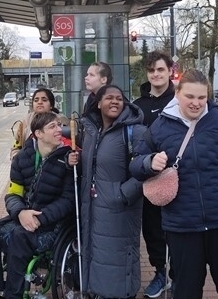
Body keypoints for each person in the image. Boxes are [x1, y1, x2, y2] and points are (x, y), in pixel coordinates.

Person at [129, 68, 218, 299]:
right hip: (182, 226)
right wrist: (148, 162)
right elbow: (135, 166)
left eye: (202, 98)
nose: (196, 103)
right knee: (185, 291)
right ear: (177, 94)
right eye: (190, 97)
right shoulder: (160, 127)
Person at [0, 112, 79, 299]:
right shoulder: (23, 158)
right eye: (53, 127)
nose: (60, 130)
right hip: (25, 214)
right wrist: (21, 212)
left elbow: (67, 201)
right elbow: (13, 194)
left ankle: (12, 294)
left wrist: (39, 217)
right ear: (38, 134)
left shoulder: (67, 160)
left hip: (52, 221)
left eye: (59, 125)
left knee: (19, 235)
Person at [79, 84, 146, 299]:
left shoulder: (135, 131)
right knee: (97, 257)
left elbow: (146, 170)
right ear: (98, 103)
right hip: (93, 208)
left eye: (119, 98)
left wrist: (122, 194)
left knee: (118, 260)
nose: (115, 101)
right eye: (109, 98)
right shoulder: (91, 132)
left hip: (120, 210)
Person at [133, 50, 175, 298]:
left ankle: (178, 274)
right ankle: (161, 272)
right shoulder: (138, 106)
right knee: (151, 229)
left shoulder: (179, 101)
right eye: (151, 70)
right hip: (148, 178)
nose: (156, 74)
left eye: (160, 69)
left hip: (178, 177)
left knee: (178, 230)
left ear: (170, 70)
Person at [10, 88, 60, 159]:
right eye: (36, 100)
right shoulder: (25, 121)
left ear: (51, 105)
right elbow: (17, 146)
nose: (39, 102)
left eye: (44, 100)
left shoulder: (60, 121)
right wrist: (17, 159)